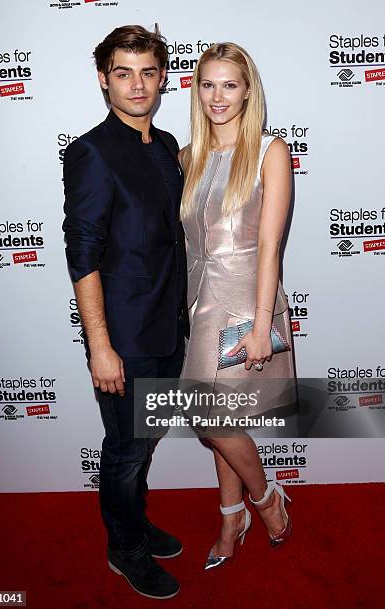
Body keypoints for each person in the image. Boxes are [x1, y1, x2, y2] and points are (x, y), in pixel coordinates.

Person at [62, 25, 188, 599]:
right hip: (125, 337)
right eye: (122, 72)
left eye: (147, 72)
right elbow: (83, 253)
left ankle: (134, 521)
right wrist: (101, 346)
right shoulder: (91, 152)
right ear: (103, 80)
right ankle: (124, 547)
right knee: (125, 448)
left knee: (145, 438)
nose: (137, 85)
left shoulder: (164, 146)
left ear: (162, 77)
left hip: (169, 326)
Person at [179, 42, 296, 570]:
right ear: (196, 89)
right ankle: (234, 514)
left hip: (248, 300)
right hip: (198, 304)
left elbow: (272, 245)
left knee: (210, 418)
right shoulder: (187, 156)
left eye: (229, 84)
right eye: (207, 84)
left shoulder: (271, 150)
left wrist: (262, 324)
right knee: (219, 419)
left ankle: (263, 500)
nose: (217, 96)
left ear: (248, 90)